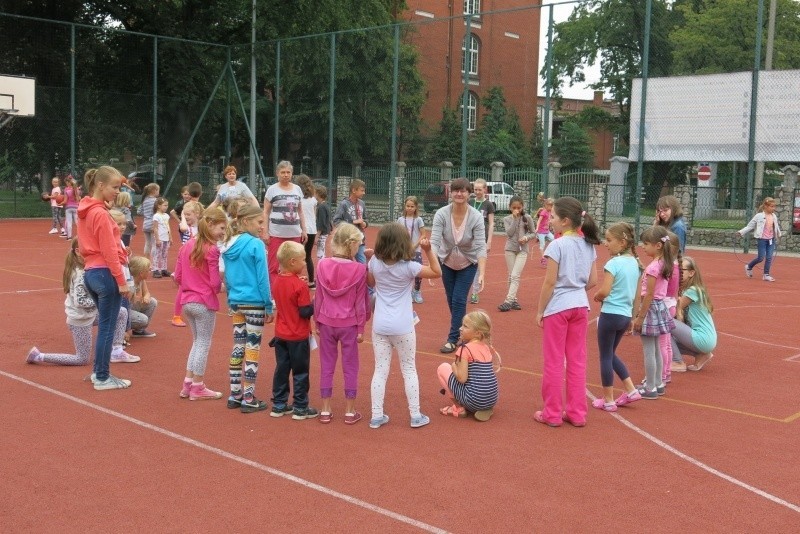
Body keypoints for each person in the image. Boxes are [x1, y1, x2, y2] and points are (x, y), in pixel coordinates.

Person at [368, 222, 441, 429]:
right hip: (403, 325)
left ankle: (376, 415)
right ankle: (415, 415)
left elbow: (371, 283)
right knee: (409, 369)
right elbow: (437, 272)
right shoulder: (410, 267)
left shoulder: (374, 261)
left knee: (380, 370)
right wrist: (428, 250)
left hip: (380, 324)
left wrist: (367, 260)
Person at [534, 197, 599, 427]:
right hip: (580, 306)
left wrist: (540, 310)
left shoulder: (557, 245)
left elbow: (549, 283)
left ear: (565, 220)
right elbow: (593, 280)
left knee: (553, 361)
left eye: (552, 217)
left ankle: (551, 413)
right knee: (577, 361)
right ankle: (577, 413)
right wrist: (576, 288)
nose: (549, 221)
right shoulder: (588, 244)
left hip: (558, 307)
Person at [26, 238, 138, 366]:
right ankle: (38, 356)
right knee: (82, 359)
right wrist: (102, 301)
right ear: (79, 251)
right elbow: (80, 302)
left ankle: (116, 351)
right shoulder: (80, 275)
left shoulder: (87, 268)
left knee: (122, 312)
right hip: (80, 319)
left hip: (91, 314)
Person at [76, 165, 133, 390]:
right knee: (108, 329)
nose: (117, 191)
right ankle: (102, 377)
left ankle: (98, 373)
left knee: (106, 326)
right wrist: (121, 280)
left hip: (91, 271)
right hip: (105, 272)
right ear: (100, 185)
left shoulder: (88, 209)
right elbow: (109, 250)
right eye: (114, 187)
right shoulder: (99, 213)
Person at [314, 223, 370, 424]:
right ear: (352, 244)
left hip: (326, 321)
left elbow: (318, 297)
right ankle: (349, 410)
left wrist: (316, 322)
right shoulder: (359, 269)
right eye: (359, 244)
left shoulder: (322, 265)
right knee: (350, 366)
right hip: (349, 324)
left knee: (326, 365)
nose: (360, 248)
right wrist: (361, 327)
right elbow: (360, 303)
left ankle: (325, 409)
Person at [220, 205, 274, 413]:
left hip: (236, 302)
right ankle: (249, 396)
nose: (262, 226)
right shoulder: (256, 245)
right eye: (259, 222)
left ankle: (235, 394)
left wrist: (231, 299)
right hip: (255, 303)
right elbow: (263, 278)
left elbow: (227, 276)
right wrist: (268, 304)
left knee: (238, 345)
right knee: (253, 348)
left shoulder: (228, 244)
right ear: (245, 222)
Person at [174, 207, 228, 400]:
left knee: (197, 342)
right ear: (211, 225)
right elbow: (214, 282)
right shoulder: (211, 249)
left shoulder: (187, 245)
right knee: (203, 343)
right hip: (204, 301)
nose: (223, 232)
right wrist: (223, 286)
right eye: (222, 228)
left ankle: (188, 383)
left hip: (187, 300)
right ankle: (198, 385)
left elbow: (178, 276)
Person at [430, 177, 487, 354]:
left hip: (468, 264)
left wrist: (482, 273)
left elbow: (480, 245)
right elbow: (434, 241)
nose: (459, 194)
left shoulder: (476, 217)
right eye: (455, 190)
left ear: (469, 194)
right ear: (451, 193)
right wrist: (432, 266)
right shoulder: (441, 214)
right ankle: (464, 331)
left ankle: (454, 339)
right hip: (446, 261)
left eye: (463, 190)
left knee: (459, 299)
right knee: (451, 300)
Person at [591, 222, 642, 412]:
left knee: (604, 356)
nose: (605, 243)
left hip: (610, 313)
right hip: (624, 316)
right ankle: (630, 389)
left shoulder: (613, 264)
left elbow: (605, 290)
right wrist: (633, 317)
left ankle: (608, 399)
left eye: (609, 240)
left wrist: (598, 296)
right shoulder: (635, 263)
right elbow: (636, 294)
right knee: (610, 354)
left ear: (622, 243)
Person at [270, 241, 318, 420]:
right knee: (300, 372)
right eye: (303, 260)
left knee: (281, 369)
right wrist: (316, 302)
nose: (306, 263)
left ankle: (279, 403)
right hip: (298, 335)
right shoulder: (300, 286)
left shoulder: (277, 281)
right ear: (292, 262)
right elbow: (305, 311)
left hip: (281, 334)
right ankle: (300, 406)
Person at [632, 226, 677, 400]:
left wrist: (639, 316)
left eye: (646, 244)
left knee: (649, 350)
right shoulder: (664, 263)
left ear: (658, 245)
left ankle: (649, 387)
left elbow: (648, 294)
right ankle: (658, 383)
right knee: (657, 348)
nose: (643, 247)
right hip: (660, 307)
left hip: (650, 307)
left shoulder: (653, 267)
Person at [437, 310, 500, 421]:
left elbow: (462, 378)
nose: (460, 328)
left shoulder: (465, 349)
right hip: (491, 399)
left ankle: (459, 408)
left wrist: (454, 366)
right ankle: (484, 406)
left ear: (477, 333)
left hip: (473, 400)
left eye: (465, 326)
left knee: (442, 368)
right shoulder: (486, 347)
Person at [263, 161, 306, 288]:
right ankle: (275, 294)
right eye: (283, 172)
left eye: (288, 172)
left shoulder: (297, 189)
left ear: (292, 174)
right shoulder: (272, 190)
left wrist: (304, 230)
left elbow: (301, 211)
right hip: (276, 234)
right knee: (274, 266)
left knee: (295, 264)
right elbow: (265, 212)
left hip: (294, 234)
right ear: (277, 174)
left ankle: (292, 290)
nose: (286, 175)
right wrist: (265, 231)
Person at [671, 256, 717, 371]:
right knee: (666, 337)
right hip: (705, 338)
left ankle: (677, 362)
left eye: (681, 271)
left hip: (702, 337)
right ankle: (701, 354)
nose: (678, 273)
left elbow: (672, 310)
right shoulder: (691, 289)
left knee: (663, 323)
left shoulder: (693, 290)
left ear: (691, 273)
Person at [498, 196, 536, 312]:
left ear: (522, 207)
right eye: (514, 207)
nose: (516, 210)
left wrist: (526, 237)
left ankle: (508, 301)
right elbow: (509, 233)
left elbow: (533, 233)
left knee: (515, 275)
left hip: (522, 250)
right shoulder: (507, 219)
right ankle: (513, 300)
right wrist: (514, 219)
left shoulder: (527, 218)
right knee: (511, 275)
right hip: (510, 249)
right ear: (510, 207)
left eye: (518, 208)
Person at [171, 200, 204, 328]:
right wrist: (183, 216)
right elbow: (183, 227)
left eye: (189, 214)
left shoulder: (202, 227)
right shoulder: (185, 227)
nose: (186, 216)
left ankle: (197, 310)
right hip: (186, 260)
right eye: (185, 214)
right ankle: (176, 316)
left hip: (198, 258)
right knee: (182, 287)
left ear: (197, 214)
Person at [737, 196, 781, 282]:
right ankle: (749, 266)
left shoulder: (774, 216)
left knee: (769, 257)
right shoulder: (759, 216)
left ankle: (766, 275)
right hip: (762, 240)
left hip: (771, 240)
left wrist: (779, 233)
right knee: (761, 258)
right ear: (766, 206)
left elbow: (776, 226)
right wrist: (741, 232)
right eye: (772, 206)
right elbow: (750, 226)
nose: (773, 208)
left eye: (774, 206)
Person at [659, 231, 682, 382]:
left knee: (660, 344)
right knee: (666, 342)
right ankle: (666, 373)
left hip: (663, 306)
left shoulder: (664, 268)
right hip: (670, 305)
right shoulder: (674, 266)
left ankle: (660, 376)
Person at [469, 179, 494, 303]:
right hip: (468, 240)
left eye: (480, 189)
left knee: (478, 267)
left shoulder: (488, 205)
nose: (477, 192)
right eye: (475, 189)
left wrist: (489, 241)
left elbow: (491, 224)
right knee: (467, 265)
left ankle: (474, 292)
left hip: (481, 240)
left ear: (485, 189)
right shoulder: (470, 202)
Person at [398, 195, 426, 304]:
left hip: (416, 249)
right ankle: (406, 292)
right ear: (405, 206)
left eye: (412, 206)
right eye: (407, 206)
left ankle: (417, 291)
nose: (409, 208)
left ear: (416, 207)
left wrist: (415, 245)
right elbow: (397, 234)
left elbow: (423, 234)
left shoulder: (418, 220)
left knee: (418, 271)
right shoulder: (400, 220)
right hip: (403, 250)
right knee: (404, 271)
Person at [332, 178, 368, 264]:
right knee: (345, 263)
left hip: (360, 240)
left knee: (363, 264)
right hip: (347, 240)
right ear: (354, 190)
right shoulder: (344, 204)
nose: (364, 193)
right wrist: (353, 223)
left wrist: (364, 223)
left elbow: (366, 219)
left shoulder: (362, 203)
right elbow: (336, 221)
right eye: (362, 190)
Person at [128, 256, 158, 338]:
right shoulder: (130, 284)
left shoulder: (141, 280)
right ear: (141, 273)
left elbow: (147, 293)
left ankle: (139, 331)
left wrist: (146, 297)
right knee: (143, 319)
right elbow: (124, 305)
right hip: (127, 310)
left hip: (133, 307)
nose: (150, 271)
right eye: (148, 270)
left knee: (152, 301)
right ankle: (122, 330)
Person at [297, 174, 318, 288]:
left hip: (301, 229)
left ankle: (294, 278)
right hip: (312, 230)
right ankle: (311, 281)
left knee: (295, 255)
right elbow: (314, 215)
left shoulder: (298, 199)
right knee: (308, 255)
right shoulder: (313, 200)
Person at [151, 197, 172, 278]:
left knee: (165, 254)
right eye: (164, 205)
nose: (166, 207)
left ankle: (164, 269)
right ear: (159, 206)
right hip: (160, 238)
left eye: (167, 205)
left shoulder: (166, 215)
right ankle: (155, 269)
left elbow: (168, 227)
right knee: (157, 254)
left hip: (166, 238)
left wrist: (170, 237)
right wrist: (157, 239)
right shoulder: (156, 216)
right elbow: (155, 228)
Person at [140, 182, 160, 257]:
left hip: (145, 224)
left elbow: (139, 211)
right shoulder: (156, 201)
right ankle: (153, 263)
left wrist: (146, 214)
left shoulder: (144, 200)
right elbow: (157, 212)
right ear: (155, 190)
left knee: (147, 243)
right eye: (158, 190)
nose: (158, 192)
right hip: (153, 224)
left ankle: (146, 260)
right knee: (154, 244)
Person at [535, 198, 555, 268]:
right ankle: (543, 259)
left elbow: (550, 220)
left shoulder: (550, 212)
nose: (551, 207)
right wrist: (537, 228)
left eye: (552, 206)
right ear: (546, 206)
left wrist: (551, 226)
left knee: (554, 240)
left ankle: (549, 253)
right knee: (542, 245)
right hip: (541, 232)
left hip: (547, 231)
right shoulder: (543, 212)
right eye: (550, 206)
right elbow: (539, 220)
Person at [315, 184, 333, 261]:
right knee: (321, 251)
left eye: (315, 193)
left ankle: (322, 268)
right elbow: (328, 219)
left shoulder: (321, 207)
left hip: (322, 233)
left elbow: (321, 222)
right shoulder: (325, 205)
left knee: (320, 252)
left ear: (319, 194)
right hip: (325, 232)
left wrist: (317, 236)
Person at [62, 174, 81, 240]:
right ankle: (81, 236)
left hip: (68, 208)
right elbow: (79, 199)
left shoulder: (67, 191)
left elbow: (65, 201)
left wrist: (59, 203)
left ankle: (69, 236)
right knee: (77, 222)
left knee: (69, 222)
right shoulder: (78, 191)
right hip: (76, 207)